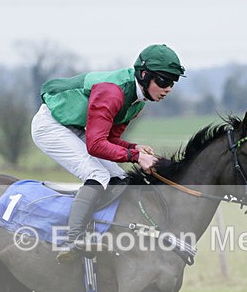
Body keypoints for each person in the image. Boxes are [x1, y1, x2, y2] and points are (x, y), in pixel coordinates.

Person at [31, 44, 185, 262]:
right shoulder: (112, 93)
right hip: (50, 125)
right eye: (164, 81)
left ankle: (100, 231)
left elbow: (109, 139)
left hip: (74, 126)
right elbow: (95, 145)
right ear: (144, 75)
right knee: (98, 175)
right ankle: (71, 240)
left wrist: (133, 148)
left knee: (120, 178)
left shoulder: (137, 102)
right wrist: (137, 157)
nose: (168, 88)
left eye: (173, 82)